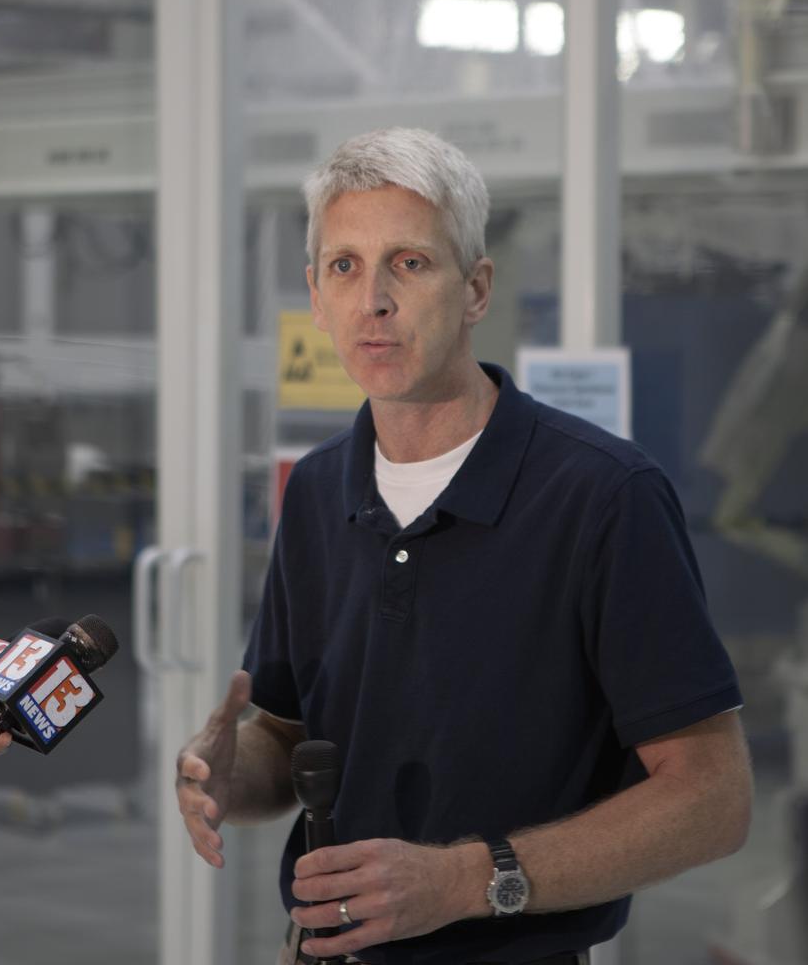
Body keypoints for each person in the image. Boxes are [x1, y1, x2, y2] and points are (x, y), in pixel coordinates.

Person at [176, 127, 753, 965]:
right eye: (344, 266)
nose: (373, 300)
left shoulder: (600, 496)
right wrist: (230, 774)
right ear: (316, 296)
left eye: (408, 263)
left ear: (476, 289)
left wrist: (463, 881)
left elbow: (711, 800)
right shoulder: (318, 490)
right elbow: (294, 736)